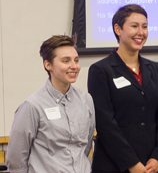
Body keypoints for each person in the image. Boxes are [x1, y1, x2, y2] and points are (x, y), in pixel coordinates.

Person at [88, 4, 158, 173]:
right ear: (118, 29)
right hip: (114, 166)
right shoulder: (101, 70)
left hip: (152, 167)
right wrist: (131, 164)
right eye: (134, 26)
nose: (141, 32)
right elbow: (105, 124)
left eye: (145, 27)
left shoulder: (155, 69)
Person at [6, 35, 95, 173]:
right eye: (66, 61)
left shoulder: (86, 100)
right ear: (48, 65)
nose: (74, 66)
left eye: (76, 60)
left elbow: (85, 146)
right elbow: (15, 159)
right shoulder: (32, 106)